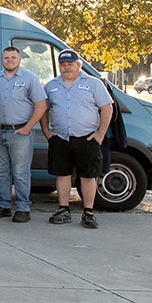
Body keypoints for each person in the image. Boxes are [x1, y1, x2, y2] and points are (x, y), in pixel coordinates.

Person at [41, 49, 113, 229]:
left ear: (78, 65)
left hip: (87, 139)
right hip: (61, 138)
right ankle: (63, 209)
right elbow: (43, 109)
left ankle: (88, 212)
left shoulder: (93, 84)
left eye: (70, 64)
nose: (66, 68)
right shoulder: (51, 86)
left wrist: (100, 135)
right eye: (63, 65)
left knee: (88, 176)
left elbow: (107, 108)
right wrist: (47, 132)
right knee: (62, 175)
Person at [0, 46, 47, 223]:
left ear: (19, 59)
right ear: (2, 59)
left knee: (20, 172)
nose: (10, 60)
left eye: (13, 57)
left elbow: (41, 105)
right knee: (1, 172)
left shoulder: (29, 78)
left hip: (20, 132)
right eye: (6, 58)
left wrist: (28, 127)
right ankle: (4, 205)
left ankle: (23, 207)